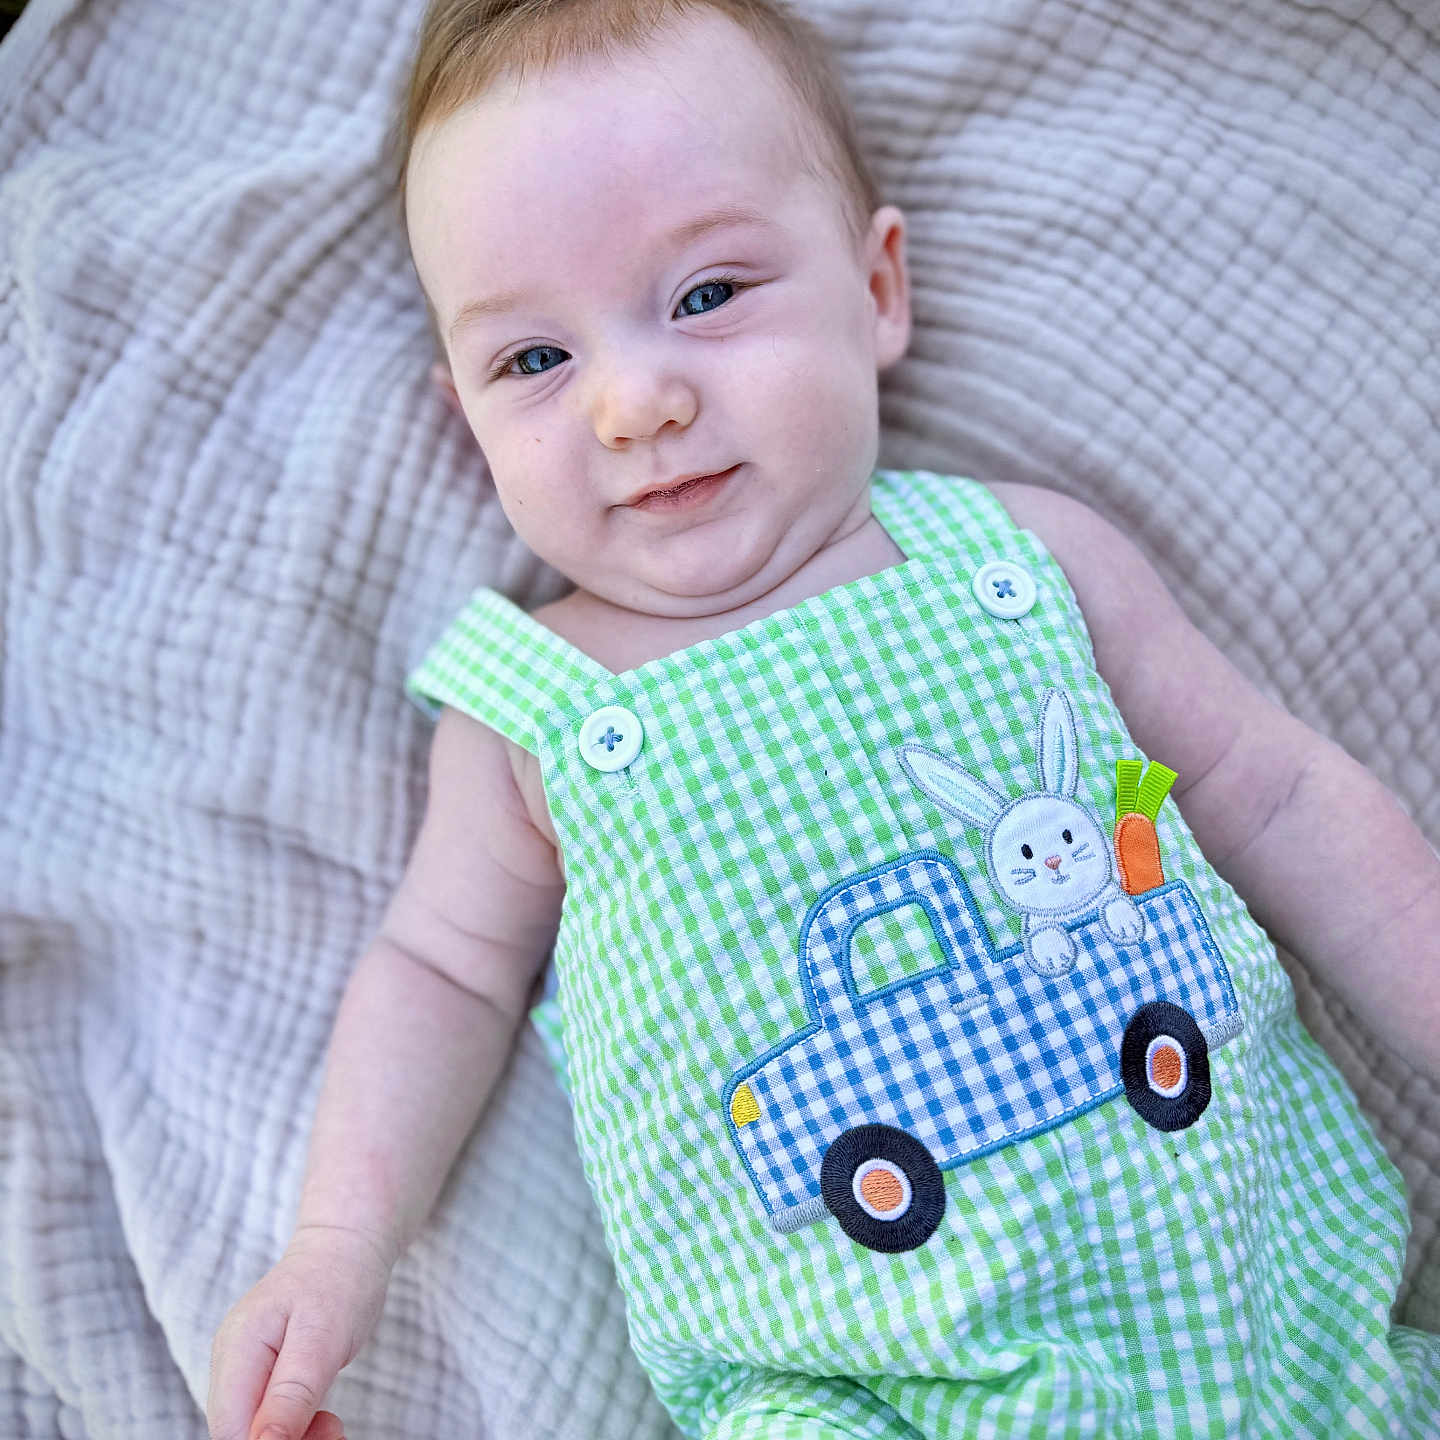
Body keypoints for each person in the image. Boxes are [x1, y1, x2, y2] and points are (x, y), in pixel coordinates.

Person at [207, 1, 1440, 1436]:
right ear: (462, 417)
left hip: (1282, 1324)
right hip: (849, 1391)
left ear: (879, 290)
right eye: (533, 362)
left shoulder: (1029, 558)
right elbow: (440, 976)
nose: (634, 401)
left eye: (709, 295)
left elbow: (1273, 793)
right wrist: (336, 1249)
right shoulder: (529, 715)